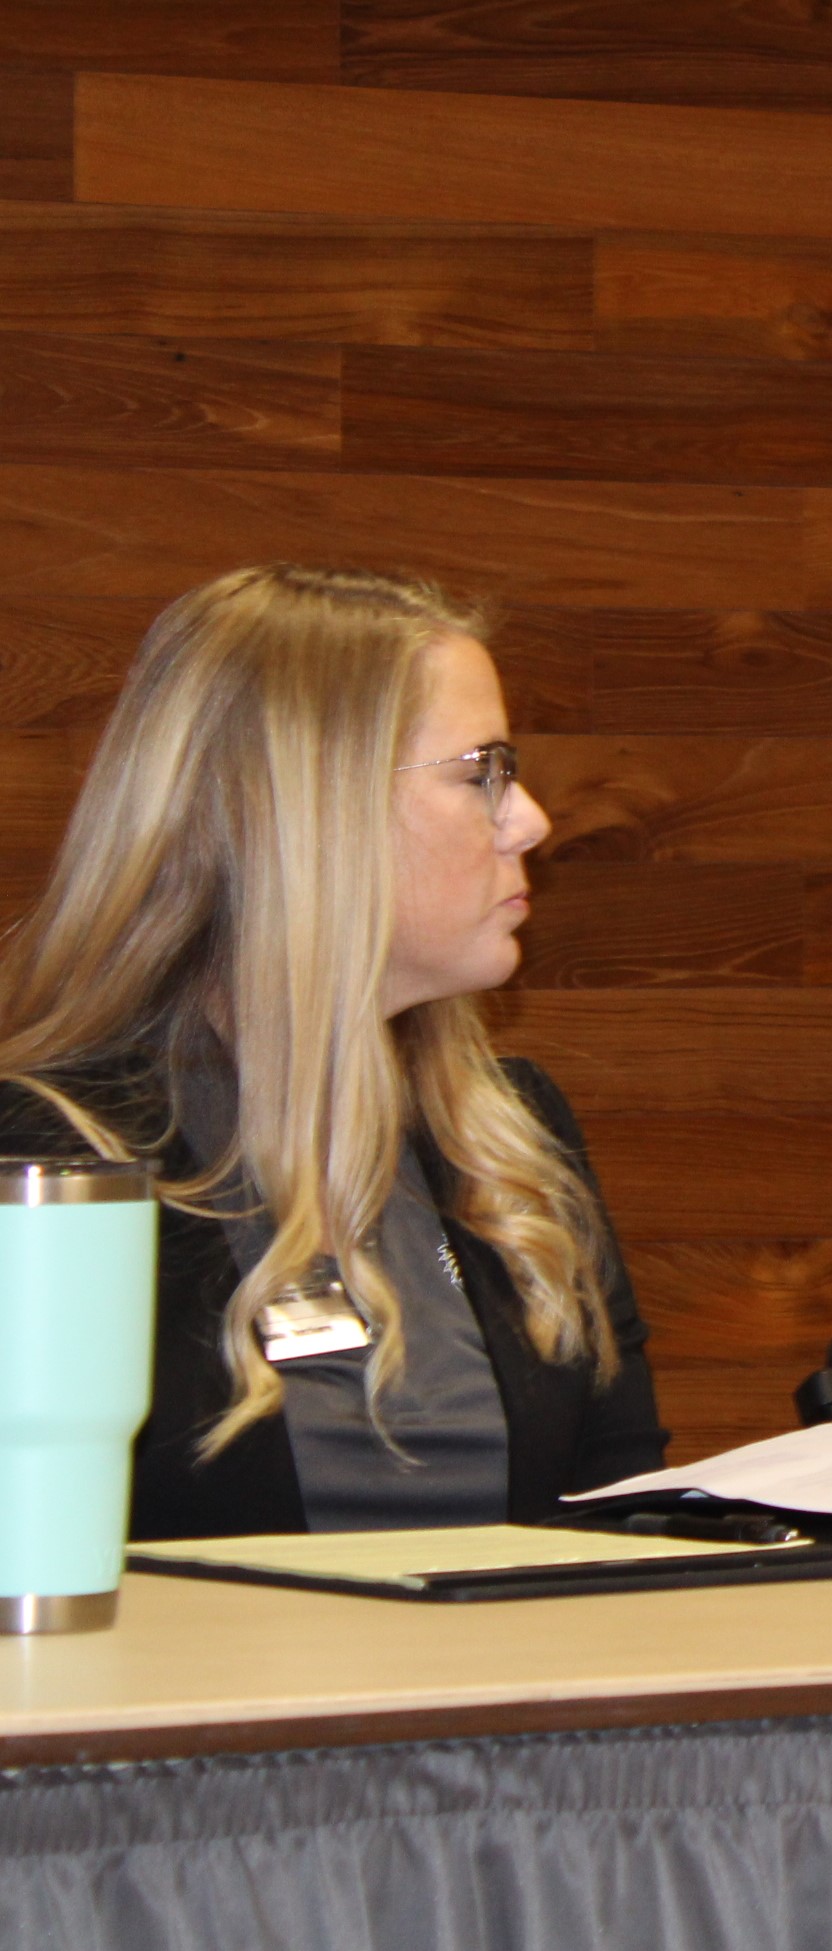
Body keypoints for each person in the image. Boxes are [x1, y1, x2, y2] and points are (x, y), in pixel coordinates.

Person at [0, 565, 662, 1539]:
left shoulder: (511, 1136)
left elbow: (623, 1512)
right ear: (307, 809)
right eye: (482, 772)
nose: (529, 819)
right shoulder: (54, 1164)